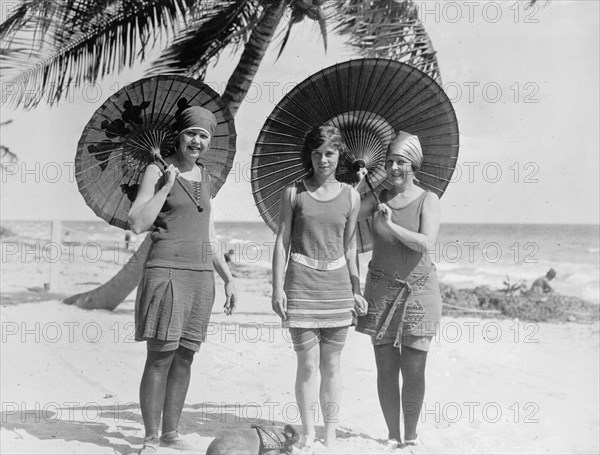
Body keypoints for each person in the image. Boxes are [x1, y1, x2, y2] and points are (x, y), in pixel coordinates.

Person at [128, 106, 238, 455]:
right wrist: (166, 187)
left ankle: (171, 433)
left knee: (186, 356)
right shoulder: (156, 170)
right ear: (179, 136)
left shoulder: (206, 178)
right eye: (192, 133)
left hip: (200, 275)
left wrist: (229, 279)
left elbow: (210, 235)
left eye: (204, 135)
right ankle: (150, 437)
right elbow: (136, 222)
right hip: (166, 271)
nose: (197, 141)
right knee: (160, 356)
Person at [271, 124, 368, 449]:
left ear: (339, 155)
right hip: (300, 286)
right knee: (308, 364)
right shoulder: (293, 192)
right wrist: (276, 288)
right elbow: (282, 242)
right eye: (317, 153)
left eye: (329, 153)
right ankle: (309, 432)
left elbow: (350, 246)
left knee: (332, 364)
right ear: (308, 155)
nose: (323, 160)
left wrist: (357, 288)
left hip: (338, 289)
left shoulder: (352, 196)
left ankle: (329, 434)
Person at [356, 131, 442, 448]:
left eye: (401, 162)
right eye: (390, 162)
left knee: (415, 368)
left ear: (414, 164)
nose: (394, 168)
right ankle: (392, 435)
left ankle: (412, 436)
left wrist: (390, 224)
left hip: (418, 291)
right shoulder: (377, 198)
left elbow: (425, 242)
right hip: (380, 291)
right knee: (386, 368)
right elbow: (346, 211)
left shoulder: (428, 199)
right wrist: (358, 181)